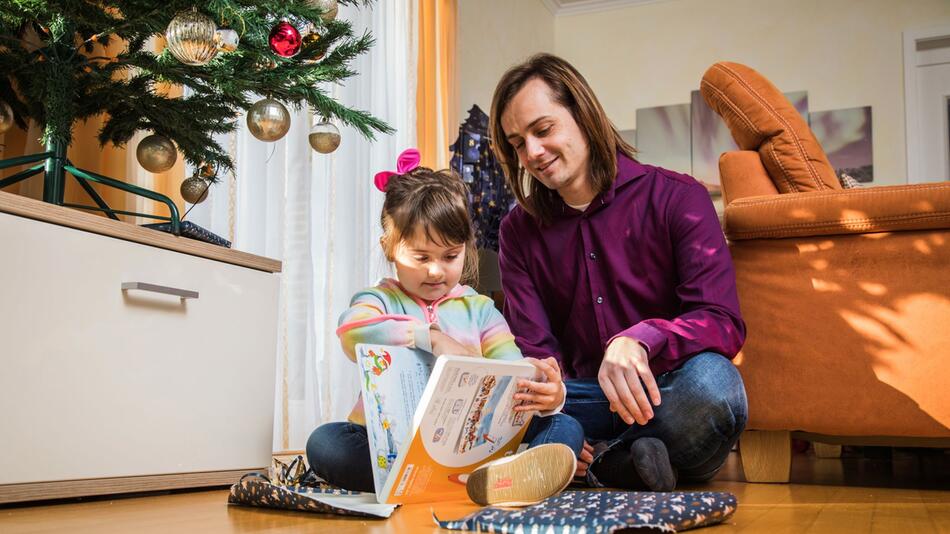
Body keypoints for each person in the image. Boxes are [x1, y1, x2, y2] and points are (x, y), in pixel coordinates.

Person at [489, 54, 748, 491]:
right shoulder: (517, 232)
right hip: (578, 400)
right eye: (518, 143)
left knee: (716, 385)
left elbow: (721, 321)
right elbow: (537, 354)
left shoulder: (679, 197)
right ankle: (621, 461)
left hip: (666, 396)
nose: (531, 153)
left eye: (543, 129)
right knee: (522, 398)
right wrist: (555, 402)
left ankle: (597, 460)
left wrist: (641, 340)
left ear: (583, 114)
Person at [305, 148, 584, 506]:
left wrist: (544, 388)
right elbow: (351, 331)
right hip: (392, 448)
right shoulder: (381, 299)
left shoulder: (479, 310)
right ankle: (462, 484)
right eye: (421, 257)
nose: (436, 271)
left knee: (566, 427)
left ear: (466, 249)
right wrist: (428, 337)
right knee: (325, 443)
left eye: (450, 256)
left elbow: (511, 367)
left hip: (473, 448)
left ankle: (503, 477)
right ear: (389, 249)